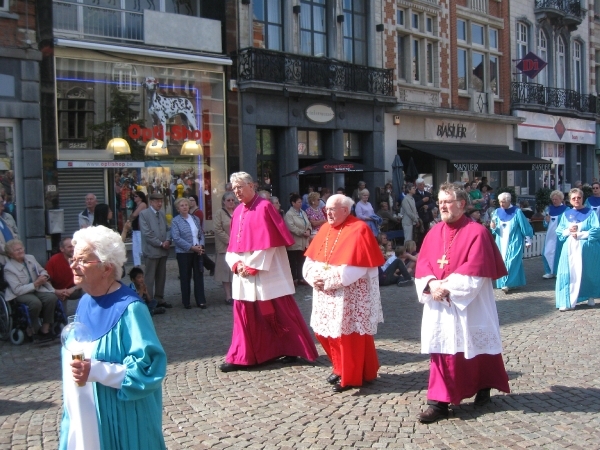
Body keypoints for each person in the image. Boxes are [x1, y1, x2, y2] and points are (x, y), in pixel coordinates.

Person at [59, 226, 167, 449]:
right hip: (83, 418)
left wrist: (98, 370)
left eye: (81, 260)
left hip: (121, 423)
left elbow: (149, 370)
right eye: (72, 258)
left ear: (106, 268)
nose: (72, 265)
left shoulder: (131, 309)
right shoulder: (85, 302)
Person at [415, 182, 510, 423]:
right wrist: (431, 285)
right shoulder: (433, 232)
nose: (442, 206)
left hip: (470, 303)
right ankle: (437, 403)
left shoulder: (477, 231)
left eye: (447, 201)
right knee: (442, 351)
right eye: (440, 202)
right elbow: (423, 265)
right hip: (440, 304)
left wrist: (445, 287)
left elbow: (475, 271)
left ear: (462, 204)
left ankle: (483, 387)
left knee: (474, 347)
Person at [220, 172, 318, 372]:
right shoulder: (237, 211)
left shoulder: (265, 207)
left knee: (279, 311)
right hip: (243, 272)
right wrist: (236, 264)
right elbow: (232, 245)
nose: (237, 191)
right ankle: (242, 355)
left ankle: (291, 348)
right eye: (234, 187)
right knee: (244, 314)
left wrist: (253, 265)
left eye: (240, 187)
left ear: (252, 186)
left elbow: (271, 242)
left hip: (266, 270)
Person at [303, 194, 384, 392]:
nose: (328, 213)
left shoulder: (359, 229)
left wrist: (328, 280)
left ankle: (351, 377)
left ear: (345, 210)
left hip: (349, 296)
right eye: (327, 209)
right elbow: (309, 262)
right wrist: (313, 278)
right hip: (324, 293)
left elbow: (357, 268)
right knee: (325, 333)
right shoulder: (324, 229)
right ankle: (339, 368)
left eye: (332, 209)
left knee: (349, 336)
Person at [555, 188, 600, 311]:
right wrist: (568, 231)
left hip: (585, 248)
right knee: (566, 273)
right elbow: (559, 231)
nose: (576, 200)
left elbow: (596, 229)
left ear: (582, 199)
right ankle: (566, 300)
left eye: (579, 198)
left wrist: (580, 234)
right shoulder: (565, 214)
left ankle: (589, 295)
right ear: (570, 200)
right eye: (574, 198)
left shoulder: (590, 213)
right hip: (569, 248)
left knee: (587, 272)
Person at [4, 239, 58, 342]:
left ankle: (45, 327)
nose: (20, 251)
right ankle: (33, 327)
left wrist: (43, 275)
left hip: (37, 288)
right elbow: (17, 290)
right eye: (16, 250)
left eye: (21, 248)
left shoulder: (30, 258)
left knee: (51, 298)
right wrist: (36, 283)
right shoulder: (9, 268)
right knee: (35, 303)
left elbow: (42, 270)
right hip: (21, 292)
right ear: (10, 255)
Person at [490, 192, 533, 293]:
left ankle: (506, 283)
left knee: (511, 261)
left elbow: (524, 226)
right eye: (500, 202)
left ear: (509, 201)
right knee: (502, 261)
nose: (501, 204)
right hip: (500, 241)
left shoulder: (517, 212)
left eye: (504, 202)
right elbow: (494, 227)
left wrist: (527, 239)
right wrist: (493, 227)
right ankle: (511, 282)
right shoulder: (497, 211)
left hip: (514, 240)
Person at [139, 193, 173, 310]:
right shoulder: (144, 214)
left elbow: (168, 229)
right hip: (151, 251)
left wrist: (168, 239)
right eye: (157, 201)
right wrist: (160, 243)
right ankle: (149, 299)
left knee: (161, 276)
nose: (159, 203)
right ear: (151, 202)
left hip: (163, 251)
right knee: (149, 276)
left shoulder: (162, 214)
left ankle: (159, 298)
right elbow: (147, 233)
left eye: (161, 201)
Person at [171, 197, 206, 309]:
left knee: (199, 276)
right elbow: (176, 238)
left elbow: (200, 233)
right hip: (184, 252)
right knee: (185, 277)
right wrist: (191, 247)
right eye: (182, 205)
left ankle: (200, 300)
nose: (185, 207)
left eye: (186, 205)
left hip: (197, 251)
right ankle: (186, 301)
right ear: (178, 208)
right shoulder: (175, 221)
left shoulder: (195, 218)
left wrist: (201, 245)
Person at [46, 237, 82, 308]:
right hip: (58, 291)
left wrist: (73, 289)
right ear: (62, 249)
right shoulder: (54, 260)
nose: (73, 249)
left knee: (88, 291)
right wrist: (55, 291)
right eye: (69, 247)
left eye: (74, 246)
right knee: (55, 300)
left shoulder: (81, 258)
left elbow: (87, 279)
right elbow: (47, 280)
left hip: (75, 289)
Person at [284, 194, 312, 286]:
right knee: (293, 261)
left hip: (304, 241)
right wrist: (302, 233)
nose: (301, 204)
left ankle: (301, 278)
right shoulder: (289, 214)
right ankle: (294, 278)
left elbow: (308, 223)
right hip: (295, 241)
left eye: (301, 202)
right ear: (293, 203)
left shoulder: (303, 212)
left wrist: (309, 230)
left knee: (302, 260)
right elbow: (291, 227)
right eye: (299, 202)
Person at [214, 192, 236, 305]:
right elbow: (217, 229)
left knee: (235, 271)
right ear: (223, 201)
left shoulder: (237, 211)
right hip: (225, 246)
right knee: (225, 271)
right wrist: (229, 240)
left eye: (233, 200)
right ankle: (228, 296)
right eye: (228, 200)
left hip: (237, 247)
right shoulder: (219, 213)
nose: (231, 202)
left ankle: (236, 294)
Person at [542, 190, 569, 279]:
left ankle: (558, 271)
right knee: (546, 252)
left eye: (556, 199)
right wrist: (546, 221)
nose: (554, 201)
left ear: (561, 199)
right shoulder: (548, 209)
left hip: (560, 236)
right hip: (550, 235)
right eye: (553, 199)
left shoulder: (566, 209)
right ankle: (549, 271)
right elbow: (544, 224)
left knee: (559, 253)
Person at [125, 191, 148, 267]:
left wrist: (129, 220)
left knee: (141, 249)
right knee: (135, 250)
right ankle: (137, 266)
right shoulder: (136, 205)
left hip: (140, 229)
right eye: (134, 196)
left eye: (136, 196)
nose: (134, 198)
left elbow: (134, 215)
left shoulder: (142, 204)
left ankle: (148, 265)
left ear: (140, 198)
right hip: (135, 229)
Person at [0, 197, 18, 265]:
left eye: (2, 202)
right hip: (2, 261)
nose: (3, 204)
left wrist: (17, 248)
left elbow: (15, 234)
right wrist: (12, 250)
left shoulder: (6, 218)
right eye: (0, 202)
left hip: (13, 258)